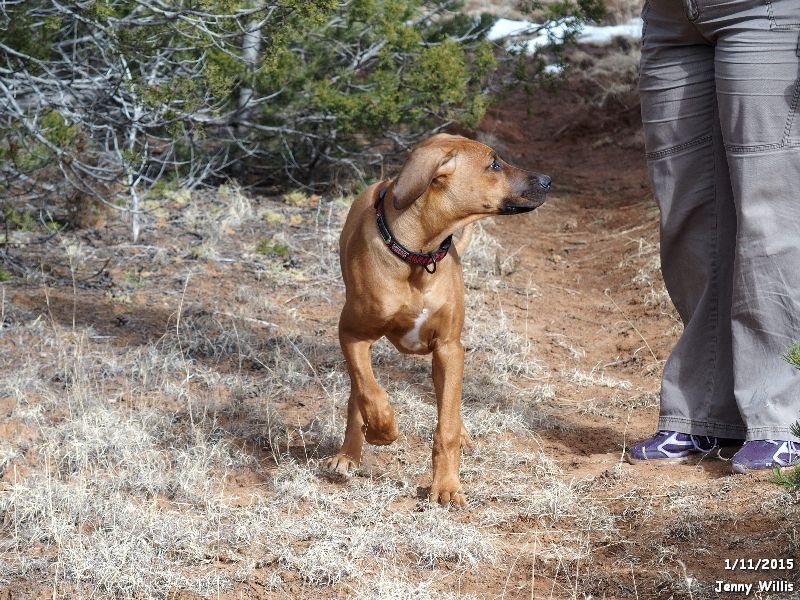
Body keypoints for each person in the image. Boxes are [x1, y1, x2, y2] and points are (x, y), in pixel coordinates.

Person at [625, 0, 800, 472]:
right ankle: (705, 413)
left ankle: (781, 418)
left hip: (764, 14)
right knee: (689, 216)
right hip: (670, 20)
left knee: (770, 220)